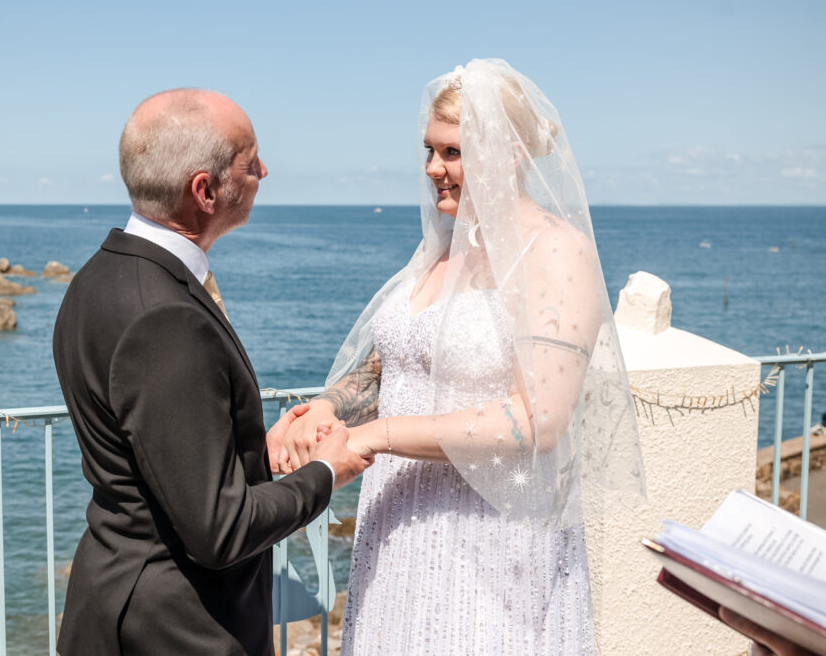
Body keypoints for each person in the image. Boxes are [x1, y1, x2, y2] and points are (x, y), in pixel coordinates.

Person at [270, 60, 646, 654]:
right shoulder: (441, 251)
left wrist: (376, 437)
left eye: (452, 153)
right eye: (429, 151)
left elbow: (539, 420)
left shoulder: (554, 252)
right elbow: (389, 362)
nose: (432, 170)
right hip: (397, 533)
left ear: (510, 153)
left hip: (492, 542)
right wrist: (325, 408)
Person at [52, 89, 371, 655]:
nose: (264, 171)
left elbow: (160, 457)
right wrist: (325, 473)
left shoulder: (97, 277)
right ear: (204, 190)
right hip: (174, 627)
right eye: (251, 163)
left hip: (113, 596)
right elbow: (219, 529)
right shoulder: (166, 317)